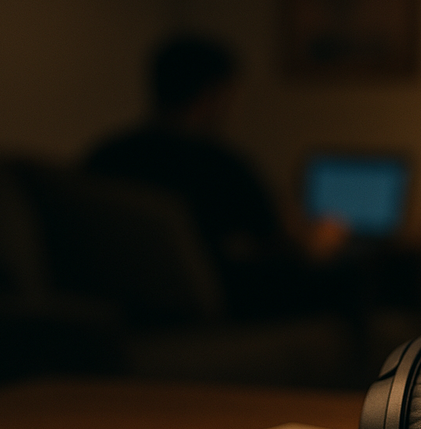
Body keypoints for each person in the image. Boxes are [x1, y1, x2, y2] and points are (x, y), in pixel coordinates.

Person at [84, 35, 351, 321]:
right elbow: (293, 247)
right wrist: (326, 237)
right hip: (215, 310)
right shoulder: (221, 166)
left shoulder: (103, 156)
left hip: (121, 310)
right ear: (213, 94)